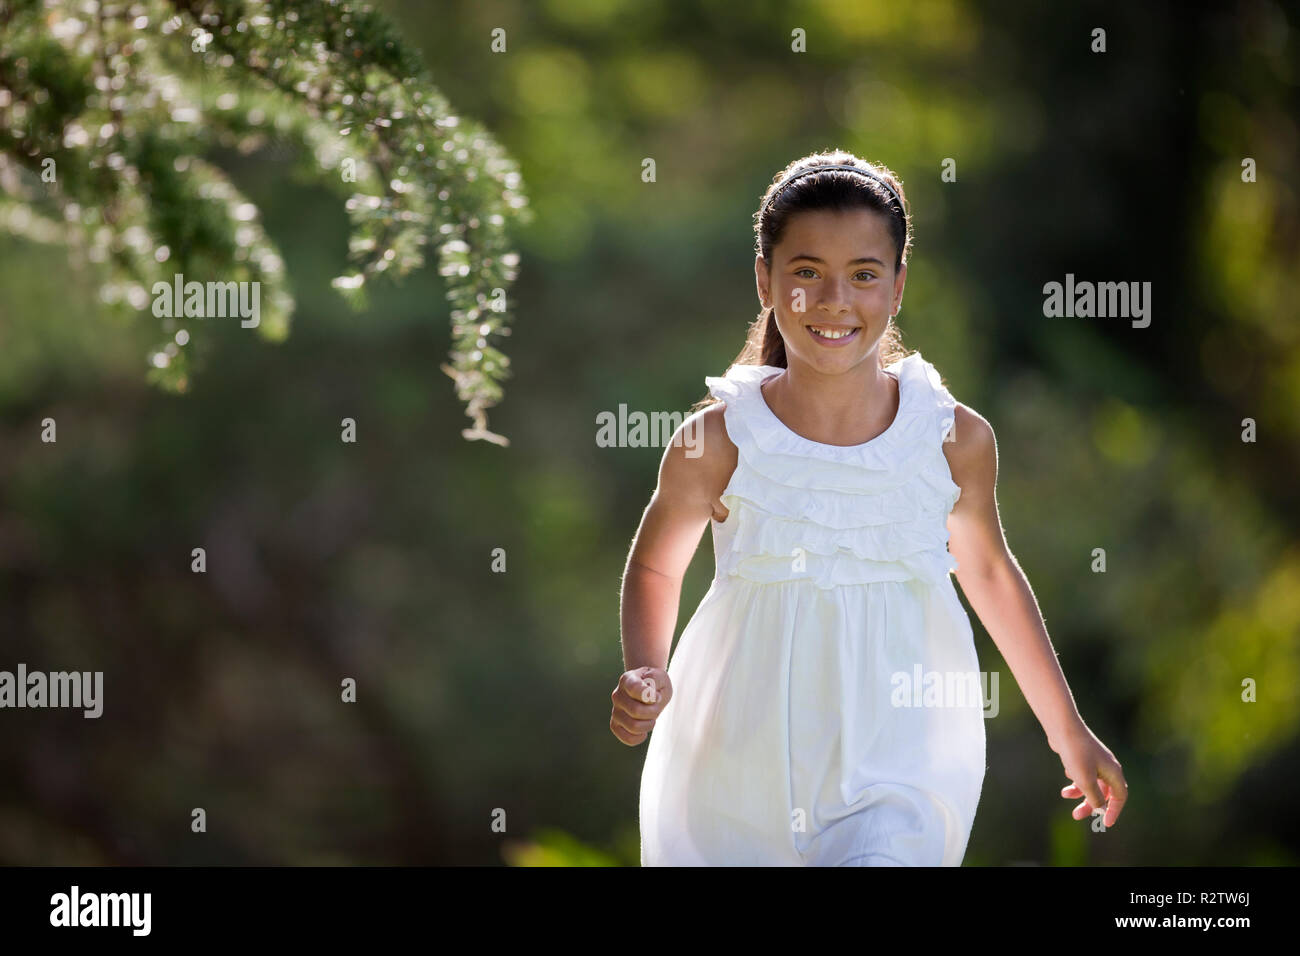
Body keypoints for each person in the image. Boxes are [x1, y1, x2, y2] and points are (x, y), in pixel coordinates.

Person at [611, 150, 1127, 866]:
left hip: (903, 753)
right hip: (739, 759)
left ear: (897, 285)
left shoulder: (952, 439)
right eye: (805, 273)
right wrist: (646, 668)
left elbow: (989, 573)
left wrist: (1066, 728)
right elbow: (656, 567)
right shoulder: (717, 442)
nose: (834, 300)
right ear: (764, 279)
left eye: (863, 274)